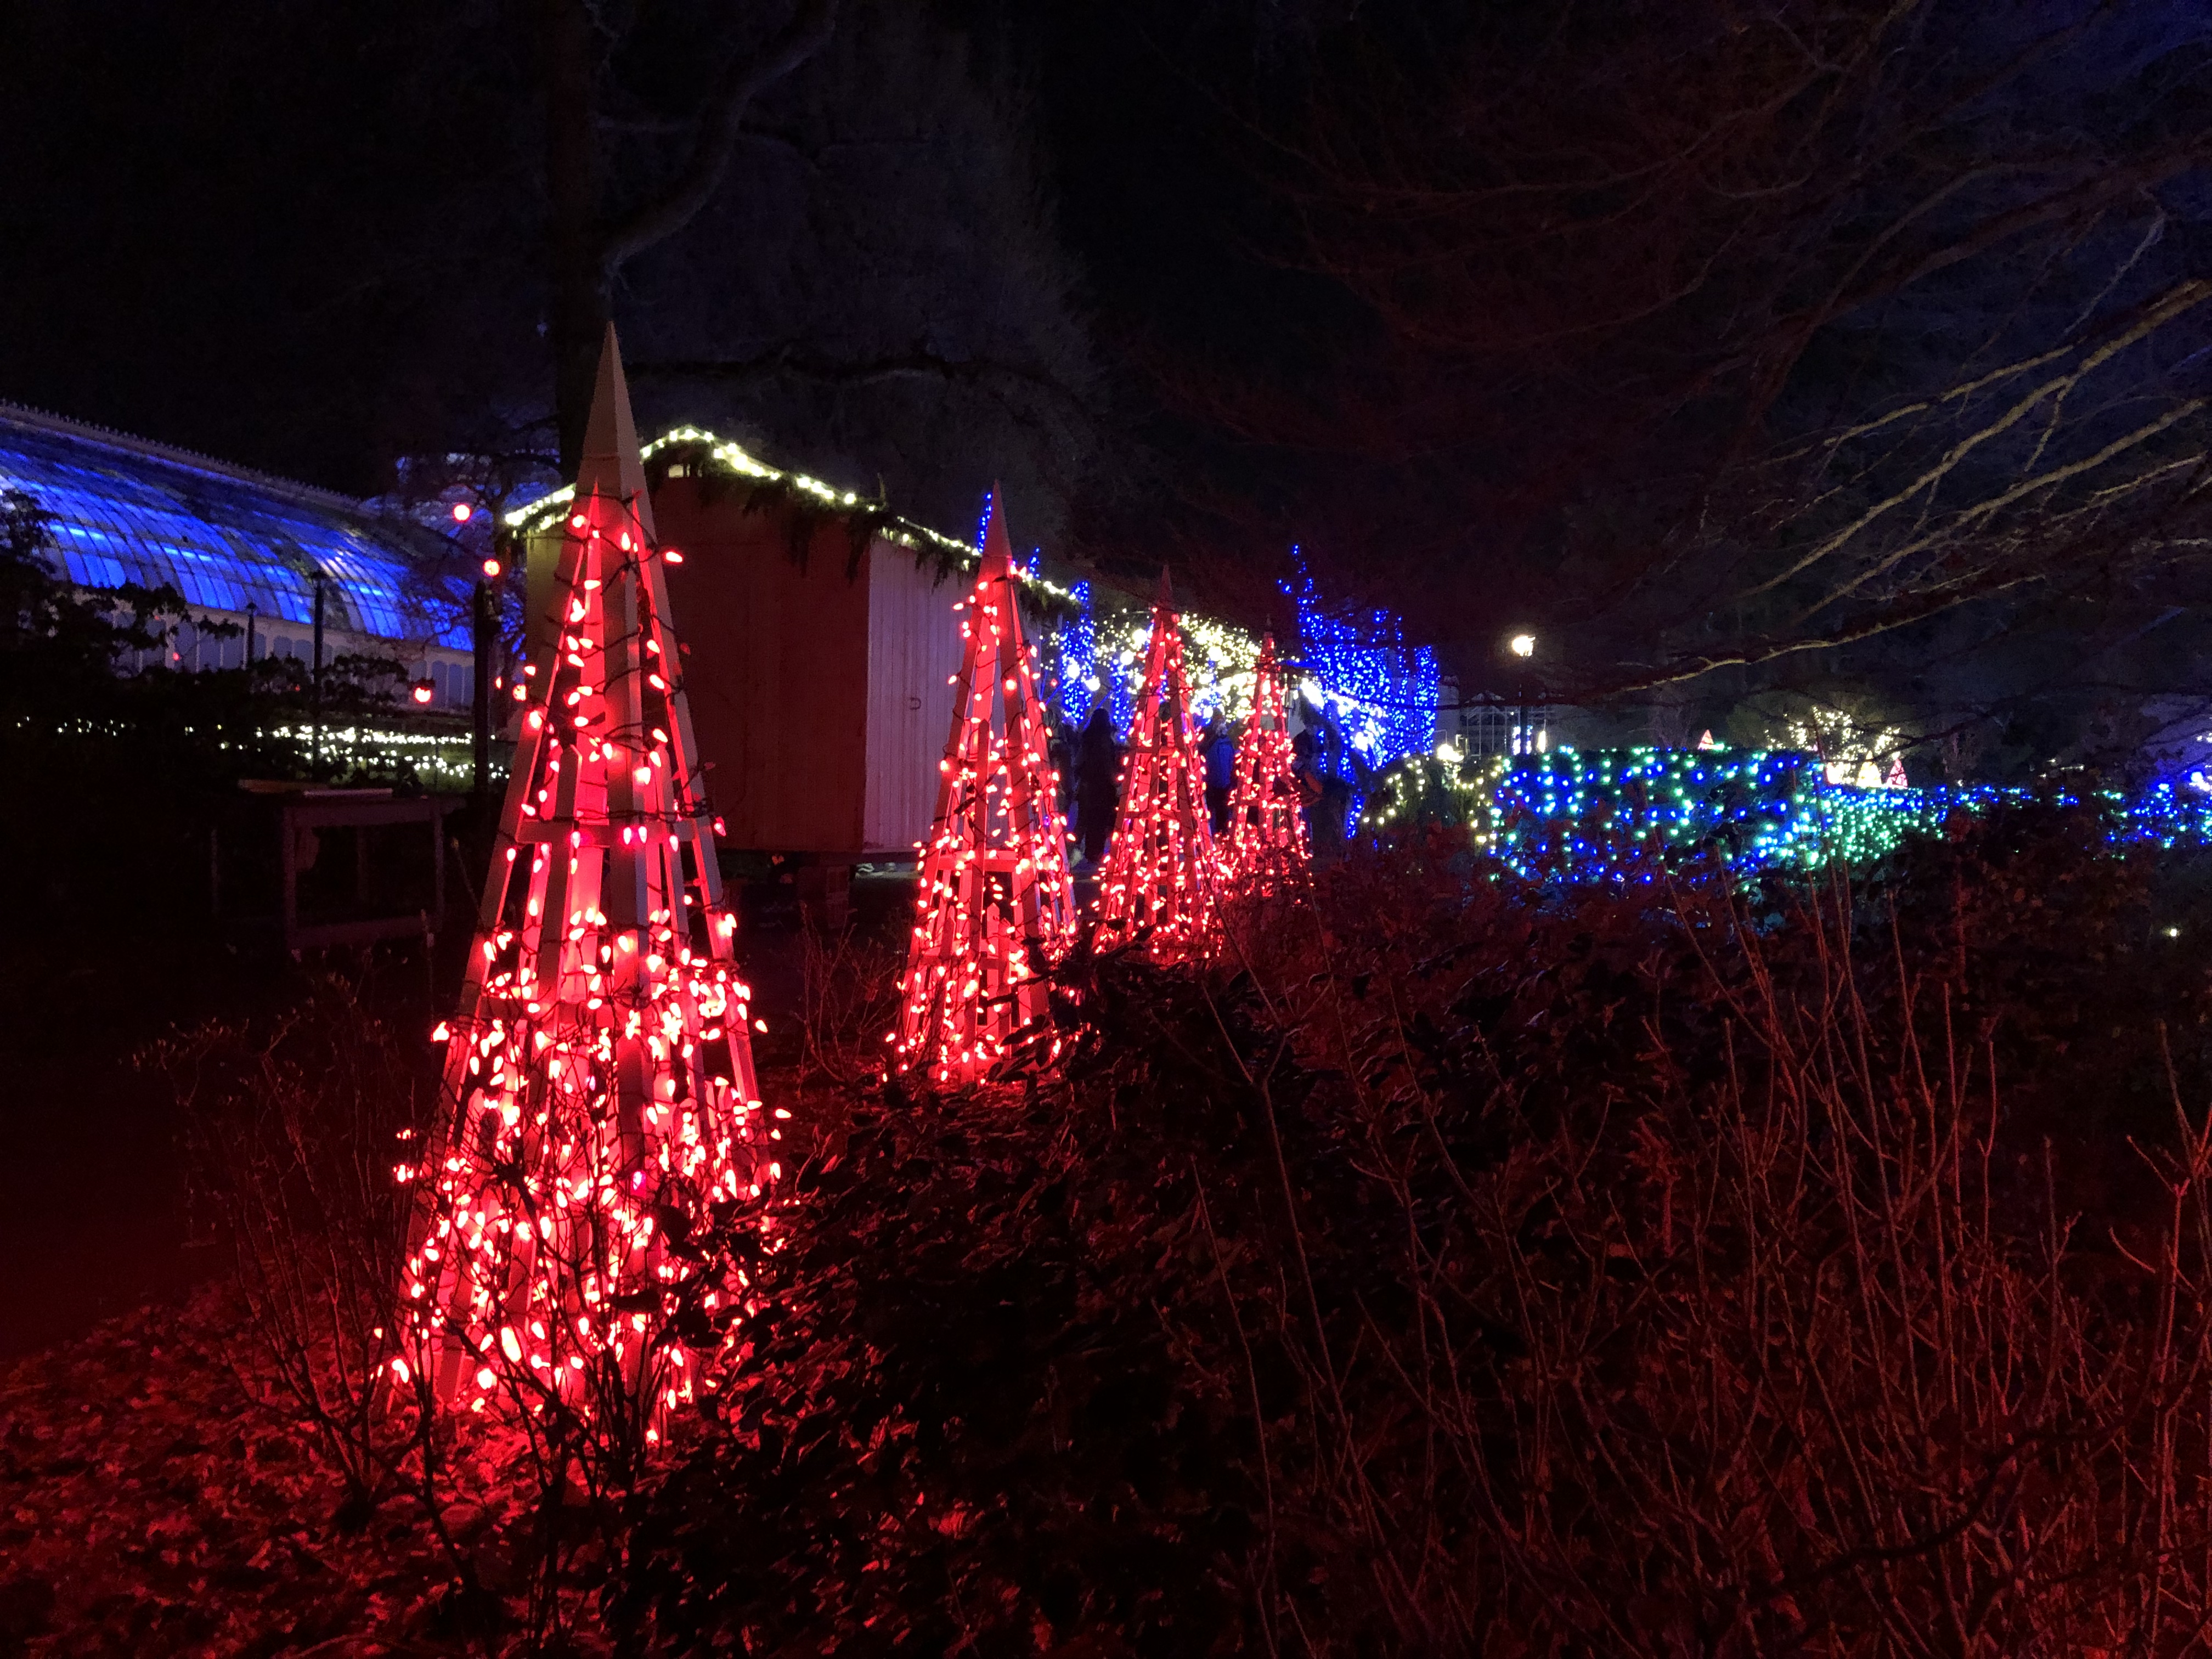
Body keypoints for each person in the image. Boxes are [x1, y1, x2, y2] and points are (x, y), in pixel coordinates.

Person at [1074, 706, 1120, 865]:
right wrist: (1115, 781)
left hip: (1087, 785)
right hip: (1102, 787)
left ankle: (1083, 852)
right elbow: (1107, 764)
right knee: (1100, 821)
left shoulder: (1087, 739)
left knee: (1086, 820)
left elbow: (1079, 762)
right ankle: (1096, 854)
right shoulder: (1106, 741)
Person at [1201, 713, 1237, 834]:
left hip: (1225, 784)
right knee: (1209, 814)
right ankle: (1209, 838)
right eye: (1217, 722)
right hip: (1210, 784)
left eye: (1222, 721)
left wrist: (1232, 780)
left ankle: (1222, 838)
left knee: (1223, 814)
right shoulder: (1208, 738)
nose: (1220, 724)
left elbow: (1232, 760)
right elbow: (1203, 751)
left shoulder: (1228, 741)